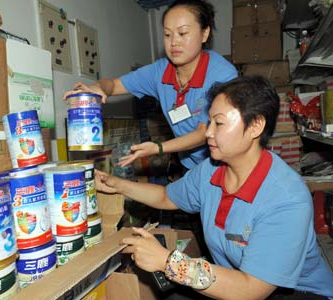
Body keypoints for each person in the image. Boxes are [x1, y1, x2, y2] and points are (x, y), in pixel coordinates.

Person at [95, 76, 333, 300]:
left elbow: (253, 289)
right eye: (210, 122)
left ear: (256, 126)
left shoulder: (286, 198)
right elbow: (168, 196)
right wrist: (117, 185)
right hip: (237, 280)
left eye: (219, 123)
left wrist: (168, 262)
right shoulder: (212, 168)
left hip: (292, 293)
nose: (208, 132)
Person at [63, 0, 238, 171]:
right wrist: (98, 87)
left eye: (183, 33)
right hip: (190, 164)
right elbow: (114, 85)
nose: (173, 42)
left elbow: (204, 133)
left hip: (224, 163)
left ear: (204, 33)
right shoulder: (159, 72)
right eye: (168, 34)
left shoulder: (222, 74)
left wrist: (158, 148)